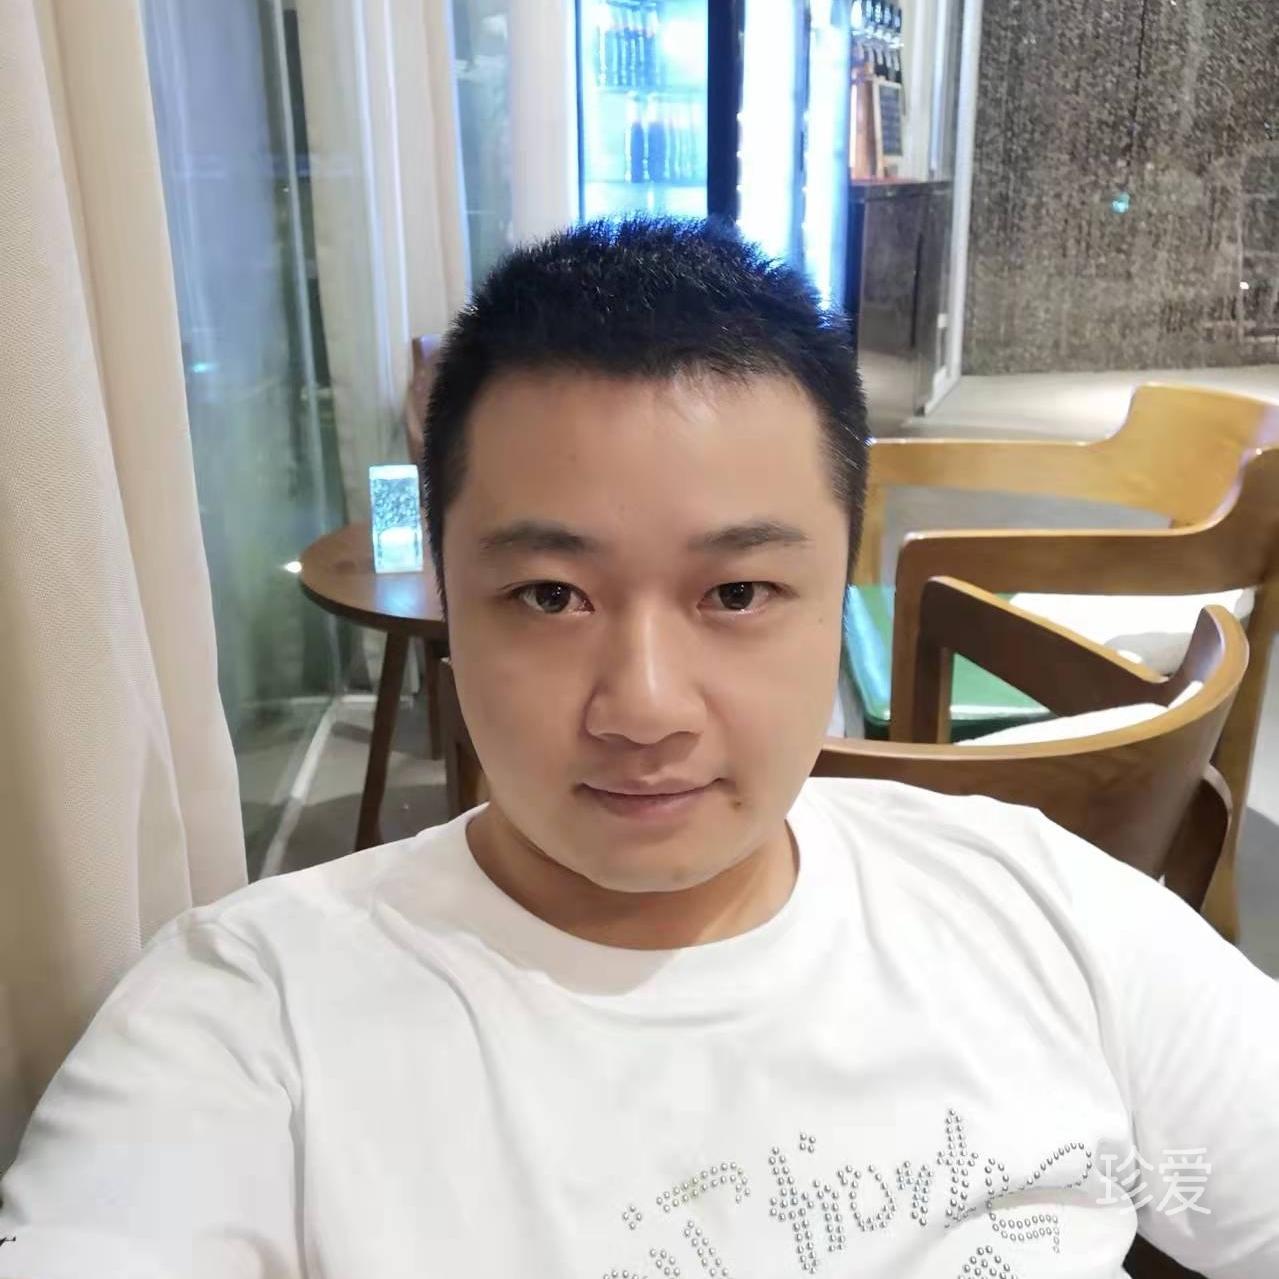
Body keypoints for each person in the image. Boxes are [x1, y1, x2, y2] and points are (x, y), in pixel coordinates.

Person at [1, 217, 1276, 1279]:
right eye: (550, 595)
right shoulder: (246, 1023)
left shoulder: (1042, 909)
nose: (645, 706)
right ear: (446, 596)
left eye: (737, 594)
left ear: (840, 585)